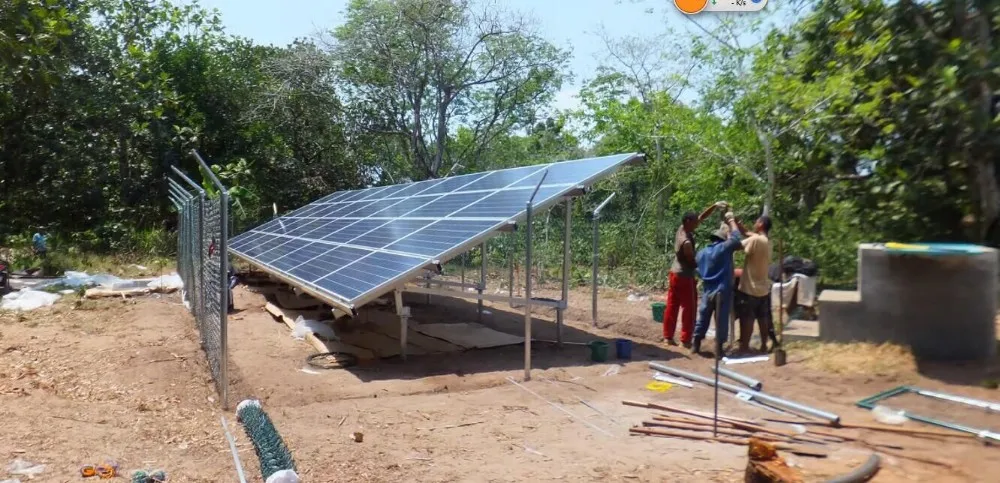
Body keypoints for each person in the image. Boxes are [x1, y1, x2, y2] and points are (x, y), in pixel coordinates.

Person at [663, 201, 728, 348]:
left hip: (674, 274)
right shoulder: (685, 241)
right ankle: (685, 340)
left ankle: (667, 337)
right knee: (689, 308)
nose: (697, 224)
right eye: (694, 222)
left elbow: (702, 217)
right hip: (684, 276)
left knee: (672, 306)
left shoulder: (682, 228)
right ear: (688, 222)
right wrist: (704, 268)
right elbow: (692, 261)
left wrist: (715, 205)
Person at [692, 212, 743, 356]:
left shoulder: (701, 253)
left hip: (707, 290)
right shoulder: (723, 249)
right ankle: (719, 349)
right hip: (722, 290)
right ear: (721, 240)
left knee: (703, 317)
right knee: (721, 320)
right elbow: (736, 238)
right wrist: (732, 220)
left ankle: (696, 344)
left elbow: (697, 269)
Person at [734, 215, 774, 353]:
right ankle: (764, 345)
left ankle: (744, 346)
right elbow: (747, 234)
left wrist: (732, 229)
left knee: (747, 318)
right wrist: (739, 225)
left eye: (757, 221)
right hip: (763, 288)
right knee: (762, 317)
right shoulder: (767, 241)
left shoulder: (755, 240)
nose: (755, 223)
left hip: (750, 287)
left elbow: (737, 245)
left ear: (761, 224)